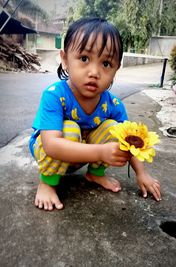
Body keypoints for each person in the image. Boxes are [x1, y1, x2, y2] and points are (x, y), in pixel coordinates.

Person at [29, 17, 161, 211]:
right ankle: (47, 183)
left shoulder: (113, 104)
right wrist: (101, 152)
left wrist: (142, 173)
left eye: (106, 63)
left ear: (116, 69)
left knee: (116, 129)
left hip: (84, 155)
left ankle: (95, 173)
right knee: (70, 128)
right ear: (65, 60)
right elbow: (51, 145)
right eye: (84, 59)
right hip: (52, 154)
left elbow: (129, 143)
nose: (94, 72)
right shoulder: (54, 95)